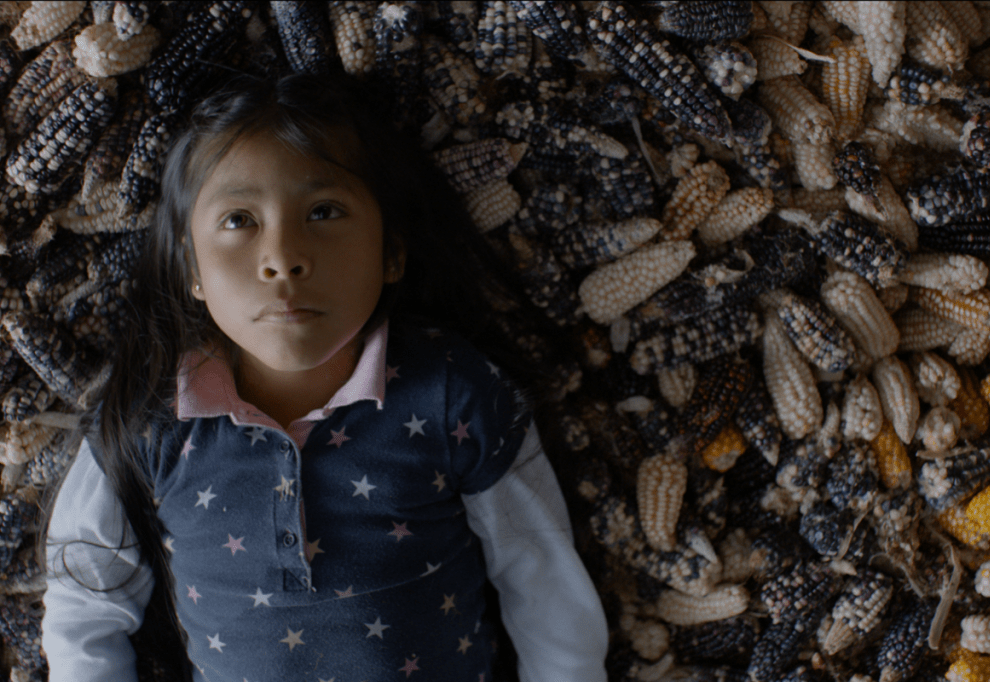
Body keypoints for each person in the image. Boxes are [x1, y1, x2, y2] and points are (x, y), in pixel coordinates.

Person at [41, 72, 608, 682]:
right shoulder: (148, 422)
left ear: (392, 250)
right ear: (191, 269)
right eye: (239, 220)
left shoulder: (453, 394)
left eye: (323, 211)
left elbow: (545, 584)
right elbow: (84, 608)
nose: (283, 257)